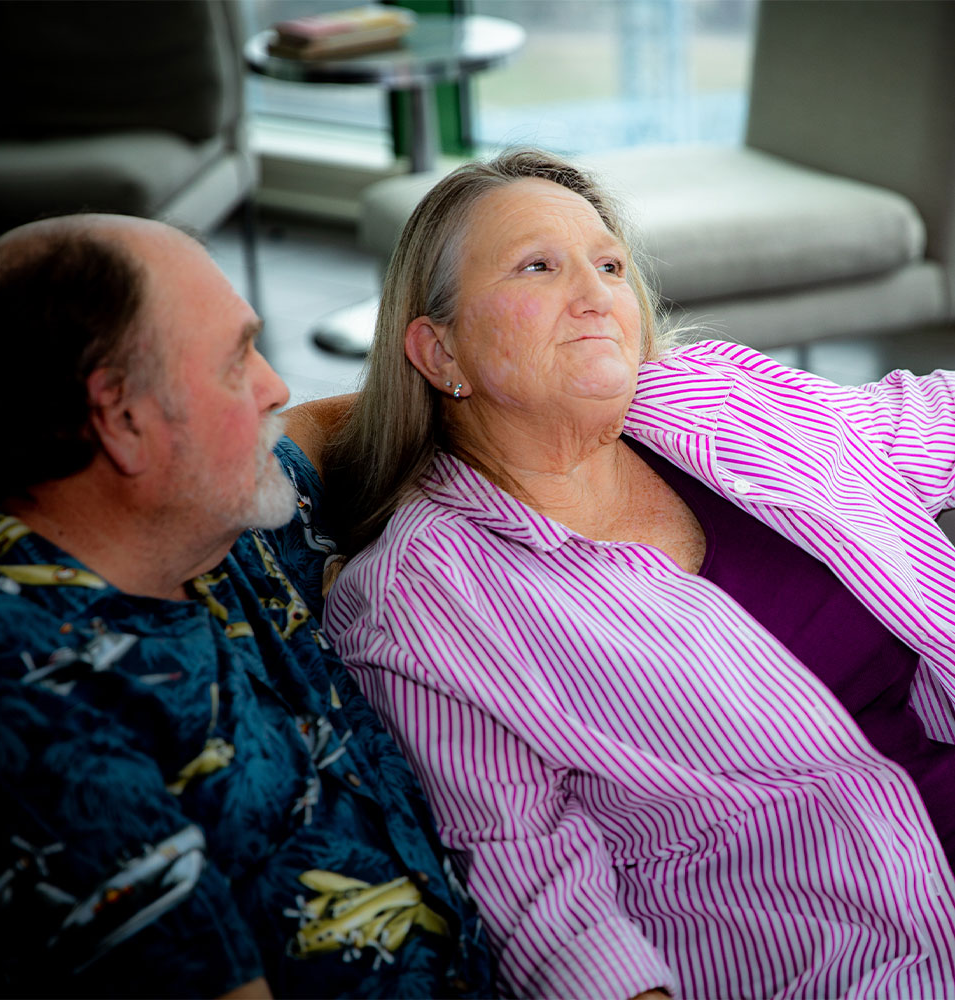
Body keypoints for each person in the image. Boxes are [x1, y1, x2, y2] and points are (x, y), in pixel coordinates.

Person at [312, 149, 955, 999]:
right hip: (848, 957)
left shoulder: (716, 398)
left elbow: (913, 422)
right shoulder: (426, 597)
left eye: (609, 264)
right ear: (439, 353)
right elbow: (541, 898)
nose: (595, 295)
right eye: (538, 266)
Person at [0, 214, 493, 998]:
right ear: (124, 421)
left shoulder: (206, 511)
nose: (276, 385)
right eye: (237, 361)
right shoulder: (41, 715)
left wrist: (516, 374)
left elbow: (322, 427)